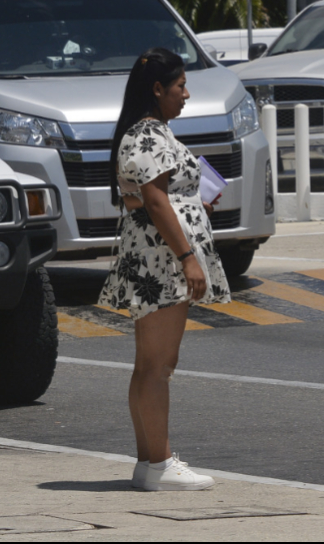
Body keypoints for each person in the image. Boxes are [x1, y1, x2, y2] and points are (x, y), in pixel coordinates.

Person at [98, 48, 231, 492]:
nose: (186, 94)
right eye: (180, 87)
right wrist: (188, 258)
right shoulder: (148, 134)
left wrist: (193, 203)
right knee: (158, 366)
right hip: (163, 263)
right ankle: (161, 461)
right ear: (158, 89)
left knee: (150, 366)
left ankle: (149, 462)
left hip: (158, 258)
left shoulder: (149, 133)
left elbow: (153, 195)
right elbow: (154, 200)